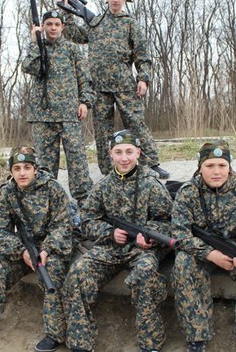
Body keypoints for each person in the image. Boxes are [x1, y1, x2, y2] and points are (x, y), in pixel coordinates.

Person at [63, 129, 173, 352]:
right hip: (110, 247)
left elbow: (169, 222)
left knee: (145, 274)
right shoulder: (102, 186)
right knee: (78, 273)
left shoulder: (152, 184)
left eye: (129, 152)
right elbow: (87, 221)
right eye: (119, 152)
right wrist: (109, 232)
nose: (124, 158)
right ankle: (80, 342)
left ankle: (151, 343)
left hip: (143, 250)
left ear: (138, 153)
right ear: (110, 154)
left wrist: (149, 236)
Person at [57, 0, 170, 180]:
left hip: (124, 84)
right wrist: (66, 11)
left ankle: (151, 163)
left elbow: (142, 53)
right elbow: (76, 35)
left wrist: (143, 78)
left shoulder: (130, 23)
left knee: (136, 123)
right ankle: (108, 170)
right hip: (99, 87)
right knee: (102, 130)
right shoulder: (96, 22)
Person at [0, 147, 73, 352]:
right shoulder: (6, 192)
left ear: (35, 169)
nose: (22, 173)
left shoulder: (52, 188)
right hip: (22, 248)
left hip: (50, 248)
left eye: (27, 167)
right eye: (17, 168)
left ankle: (54, 333)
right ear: (11, 171)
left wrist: (47, 250)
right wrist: (21, 251)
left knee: (53, 274)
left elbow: (64, 226)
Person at [171, 140, 236, 352]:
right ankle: (197, 336)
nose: (216, 171)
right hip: (201, 251)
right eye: (210, 165)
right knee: (183, 264)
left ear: (229, 166)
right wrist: (209, 254)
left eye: (222, 165)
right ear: (200, 167)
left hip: (235, 251)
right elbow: (179, 234)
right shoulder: (187, 192)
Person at [22, 10, 94, 206]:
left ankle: (85, 200)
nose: (53, 28)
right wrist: (35, 43)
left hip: (69, 114)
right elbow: (29, 67)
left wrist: (85, 102)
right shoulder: (37, 48)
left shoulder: (72, 49)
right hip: (43, 115)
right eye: (49, 24)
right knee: (45, 163)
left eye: (56, 24)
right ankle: (46, 201)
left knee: (77, 160)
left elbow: (85, 78)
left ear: (62, 27)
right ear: (43, 26)